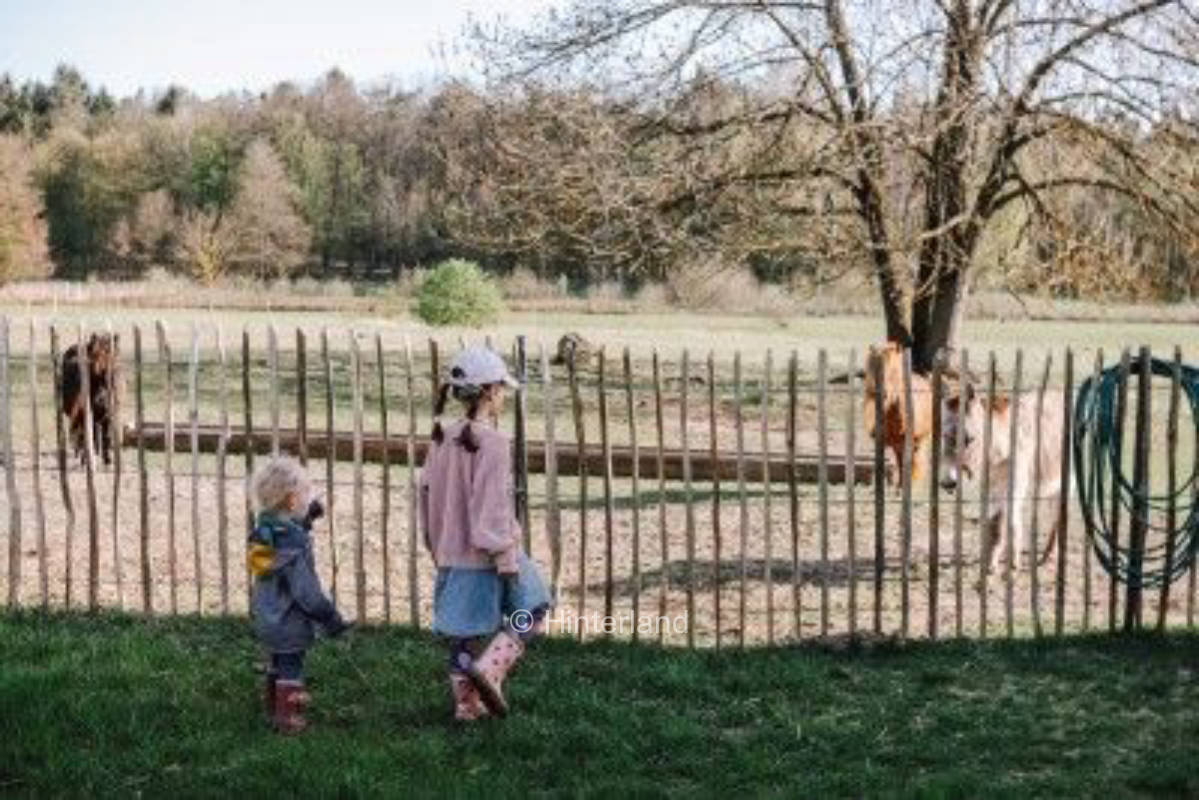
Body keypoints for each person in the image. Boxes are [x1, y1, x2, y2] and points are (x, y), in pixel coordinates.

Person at [420, 345, 552, 720]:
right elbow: (491, 507)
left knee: (463, 632)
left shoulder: (441, 438)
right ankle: (492, 670)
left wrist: (434, 544)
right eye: (501, 389)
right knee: (535, 605)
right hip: (489, 551)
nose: (503, 396)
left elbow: (424, 497)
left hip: (451, 552)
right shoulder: (493, 443)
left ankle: (466, 705)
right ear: (491, 391)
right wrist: (504, 554)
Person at [248, 456, 349, 734]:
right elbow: (306, 593)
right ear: (292, 502)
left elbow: (291, 527)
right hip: (289, 620)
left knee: (277, 661)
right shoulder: (294, 545)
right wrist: (329, 617)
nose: (309, 500)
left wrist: (310, 515)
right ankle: (289, 719)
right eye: (306, 496)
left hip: (268, 618)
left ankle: (273, 707)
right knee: (292, 666)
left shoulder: (264, 530)